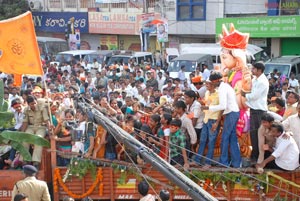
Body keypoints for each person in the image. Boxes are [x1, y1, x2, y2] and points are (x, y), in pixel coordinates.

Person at [204, 71, 242, 168]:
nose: (211, 84)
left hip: (231, 113)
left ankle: (223, 162)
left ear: (216, 81)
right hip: (233, 112)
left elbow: (222, 106)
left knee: (225, 138)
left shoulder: (222, 89)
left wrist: (209, 108)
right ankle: (236, 163)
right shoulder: (225, 86)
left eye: (212, 82)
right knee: (232, 138)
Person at [242, 62, 269, 162]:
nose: (252, 71)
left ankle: (257, 157)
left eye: (253, 69)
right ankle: (255, 155)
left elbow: (254, 96)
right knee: (253, 134)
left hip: (259, 111)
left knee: (258, 134)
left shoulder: (262, 81)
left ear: (259, 70)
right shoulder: (255, 79)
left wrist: (244, 95)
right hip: (254, 109)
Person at [20, 95, 51, 169]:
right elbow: (25, 122)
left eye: (34, 103)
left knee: (38, 139)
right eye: (32, 104)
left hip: (41, 127)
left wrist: (50, 129)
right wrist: (21, 134)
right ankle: (25, 160)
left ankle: (36, 162)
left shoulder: (42, 108)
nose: (34, 105)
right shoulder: (26, 110)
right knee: (25, 138)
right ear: (28, 104)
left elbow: (47, 120)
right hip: (30, 127)